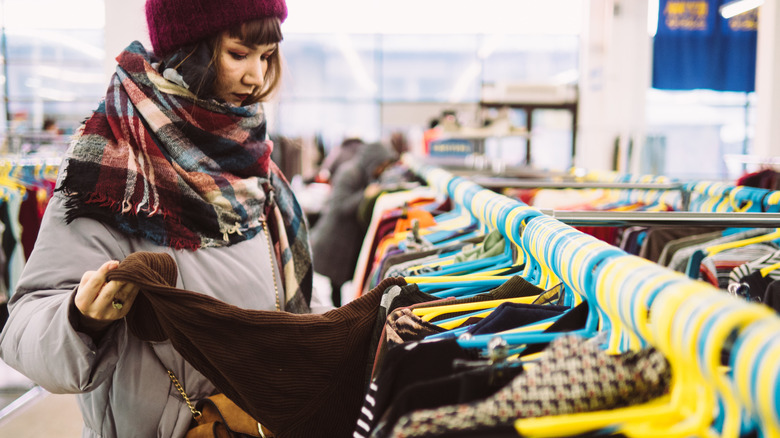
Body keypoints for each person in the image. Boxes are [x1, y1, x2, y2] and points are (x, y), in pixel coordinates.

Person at [0, 0, 313, 437]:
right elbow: (23, 327)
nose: (256, 77)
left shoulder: (254, 163)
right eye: (238, 54)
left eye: (266, 57)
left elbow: (286, 298)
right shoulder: (112, 167)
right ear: (189, 48)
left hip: (258, 422)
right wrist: (80, 320)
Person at [310, 142, 396, 307]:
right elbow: (339, 205)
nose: (382, 169)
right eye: (382, 165)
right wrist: (366, 195)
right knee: (335, 286)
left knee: (340, 285)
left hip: (346, 242)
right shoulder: (349, 172)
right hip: (334, 240)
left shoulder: (365, 173)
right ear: (373, 161)